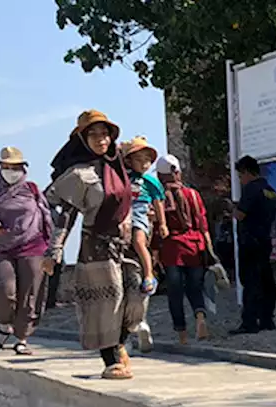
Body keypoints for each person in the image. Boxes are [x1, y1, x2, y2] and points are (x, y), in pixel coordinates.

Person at [44, 109, 143, 380]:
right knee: (107, 302)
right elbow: (65, 214)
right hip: (96, 246)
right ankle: (111, 358)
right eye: (94, 134)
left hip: (123, 245)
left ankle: (120, 342)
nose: (101, 140)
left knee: (135, 298)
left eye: (105, 134)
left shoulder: (117, 166)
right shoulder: (79, 174)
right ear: (83, 139)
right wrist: (54, 251)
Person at [0, 146, 54, 355]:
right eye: (7, 166)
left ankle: (22, 338)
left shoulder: (32, 189)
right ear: (0, 167)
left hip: (33, 246)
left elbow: (46, 215)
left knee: (30, 294)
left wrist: (50, 247)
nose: (11, 170)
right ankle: (4, 325)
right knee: (4, 289)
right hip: (2, 247)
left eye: (16, 167)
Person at [154, 154, 211, 344]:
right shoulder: (193, 194)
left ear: (161, 176)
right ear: (178, 172)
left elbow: (156, 228)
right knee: (195, 287)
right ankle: (200, 317)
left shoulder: (160, 197)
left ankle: (182, 334)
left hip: (172, 249)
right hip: (195, 245)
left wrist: (154, 252)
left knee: (175, 293)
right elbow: (202, 222)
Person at [120, 136, 166, 352]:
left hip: (137, 219)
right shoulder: (121, 178)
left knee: (138, 245)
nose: (145, 164)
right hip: (121, 225)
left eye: (147, 160)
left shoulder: (149, 182)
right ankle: (126, 336)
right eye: (140, 159)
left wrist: (161, 223)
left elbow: (158, 204)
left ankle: (149, 274)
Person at [231, 155, 276, 334]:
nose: (240, 180)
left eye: (240, 175)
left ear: (246, 172)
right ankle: (267, 319)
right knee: (266, 280)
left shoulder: (251, 189)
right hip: (264, 239)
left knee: (251, 281)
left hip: (249, 242)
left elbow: (241, 214)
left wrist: (231, 208)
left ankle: (250, 322)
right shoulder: (268, 189)